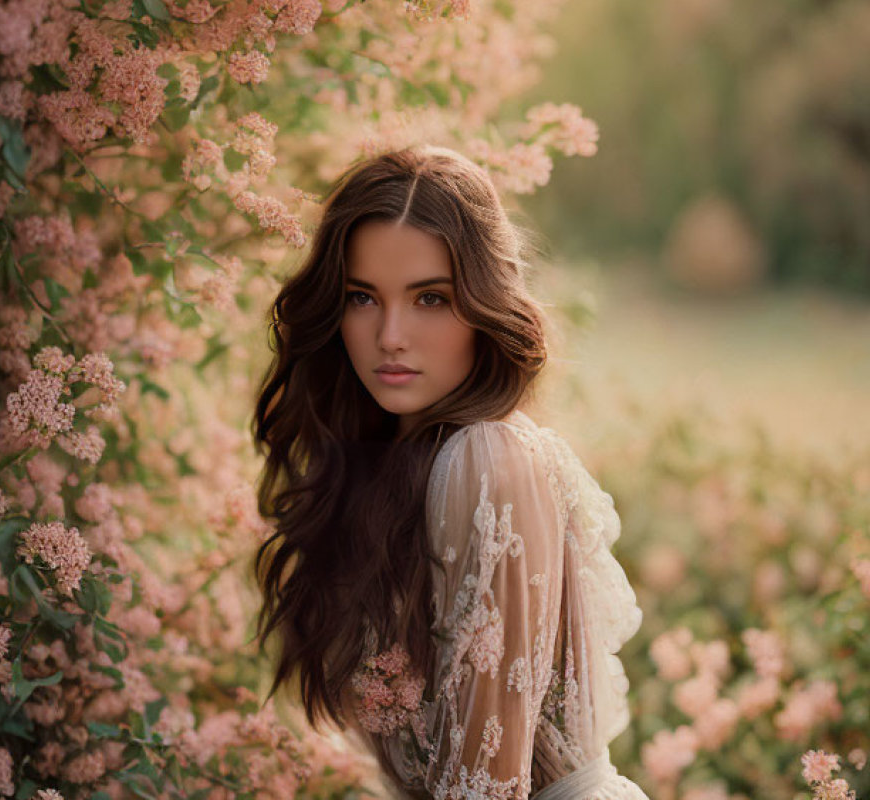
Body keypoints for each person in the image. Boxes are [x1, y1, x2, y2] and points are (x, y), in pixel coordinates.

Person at [251, 145, 648, 800]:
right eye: (362, 297)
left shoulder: (488, 458)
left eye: (429, 298)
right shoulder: (386, 467)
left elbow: (484, 790)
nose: (390, 336)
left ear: (481, 304)